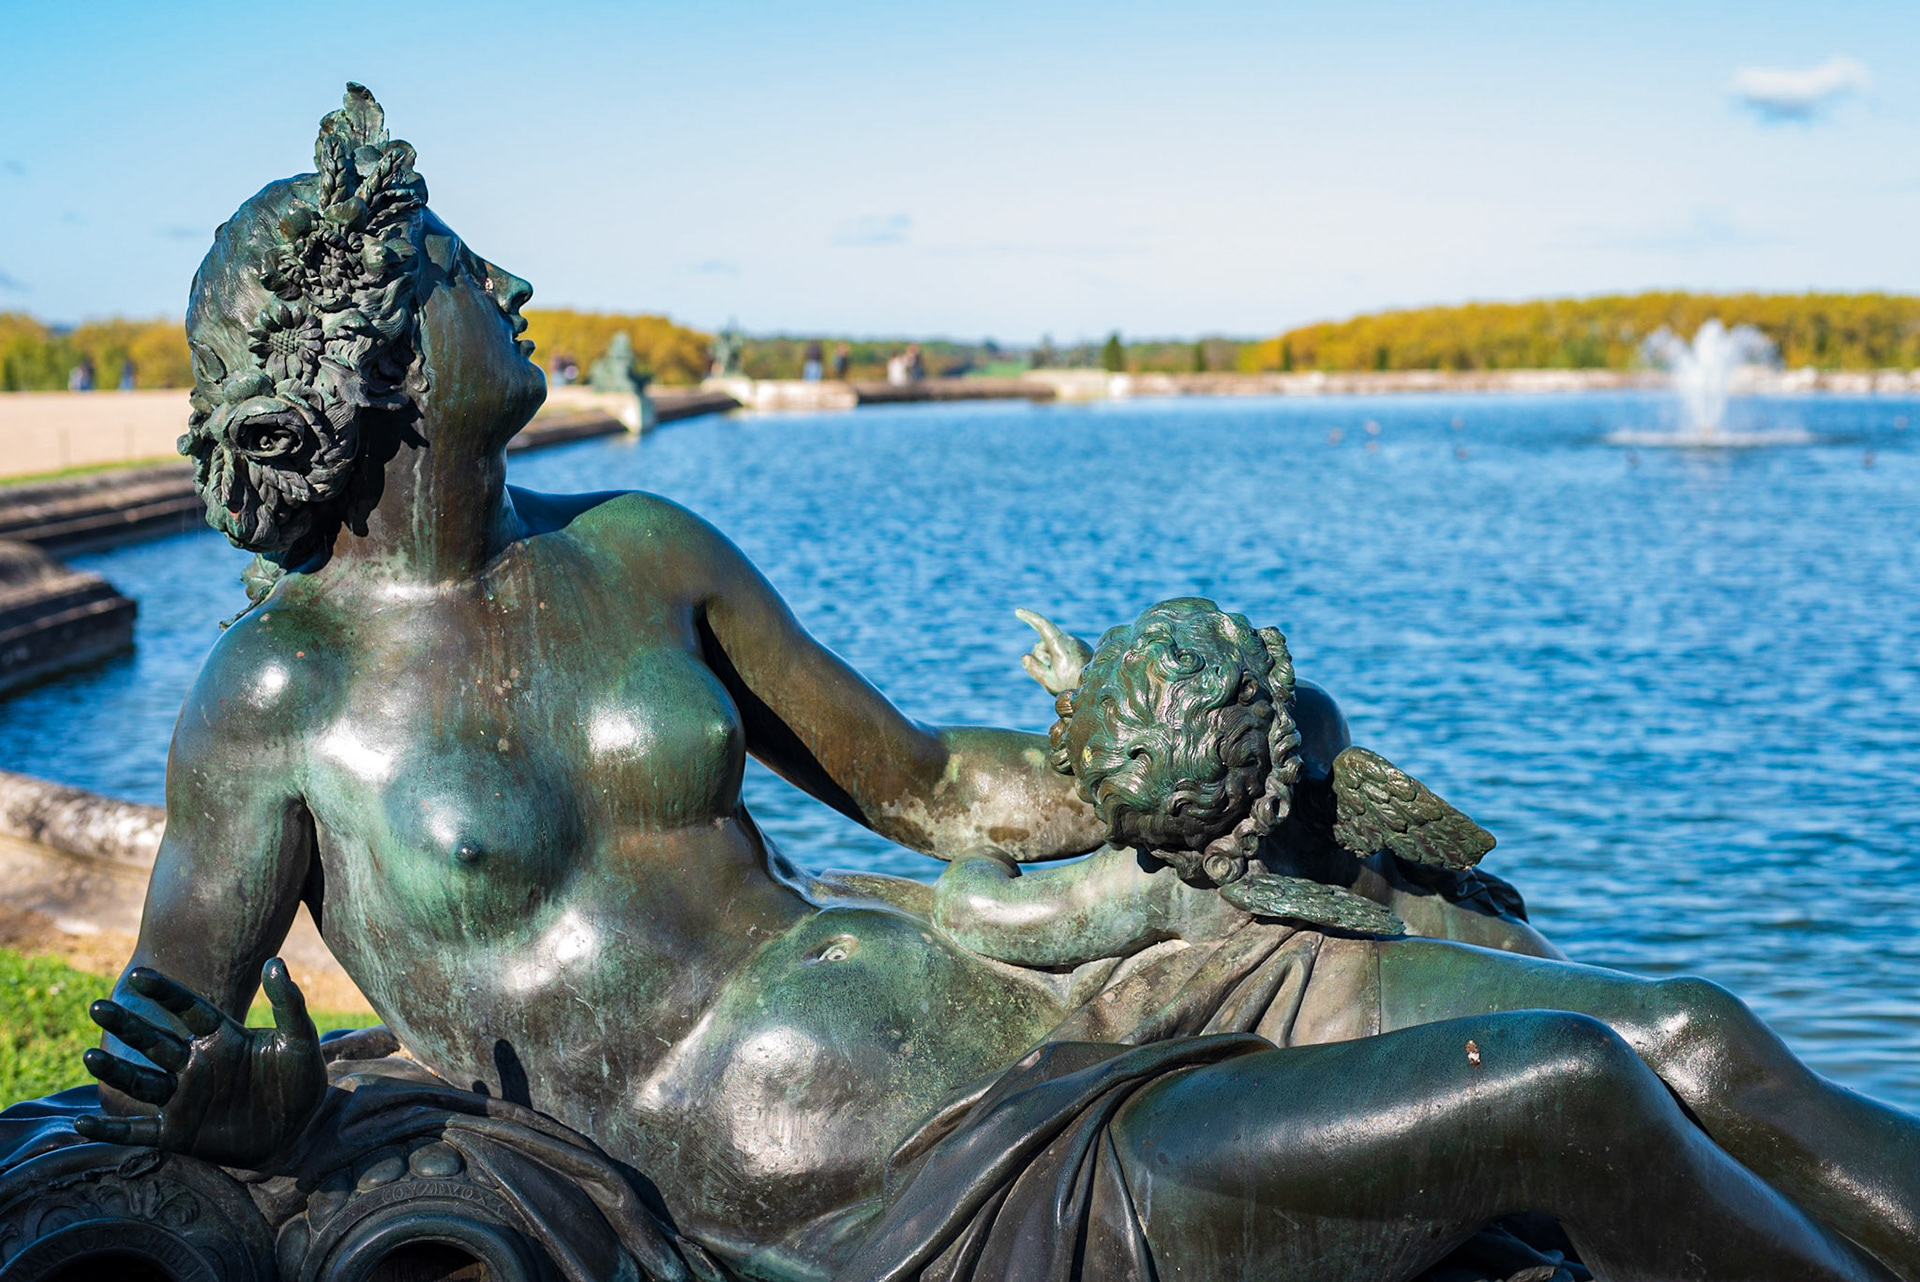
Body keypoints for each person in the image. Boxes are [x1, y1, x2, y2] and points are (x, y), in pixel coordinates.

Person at [68, 88, 1918, 1282]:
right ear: (368, 351)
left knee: (1687, 1027)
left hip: (1008, 985)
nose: (520, 282)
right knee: (1570, 1092)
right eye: (464, 269)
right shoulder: (275, 698)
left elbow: (935, 788)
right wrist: (245, 1099)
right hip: (892, 1181)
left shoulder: (640, 546)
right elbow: (160, 1047)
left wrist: (1166, 762)